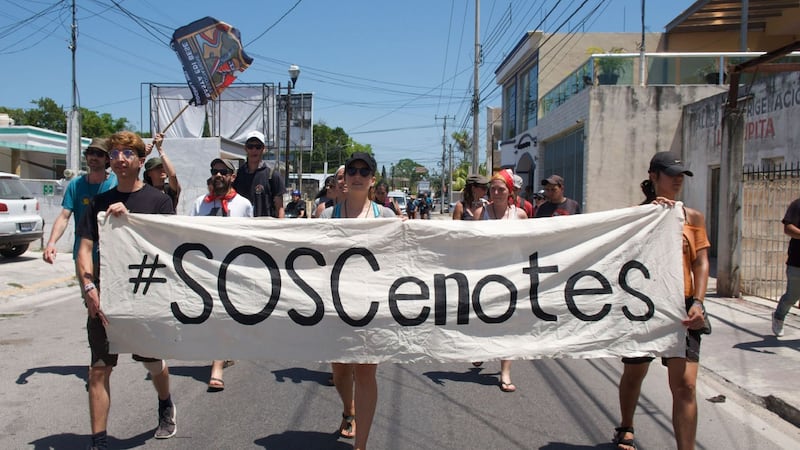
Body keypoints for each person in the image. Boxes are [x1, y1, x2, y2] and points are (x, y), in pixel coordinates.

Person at [76, 131, 177, 449]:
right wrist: (89, 285)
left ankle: (165, 403)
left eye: (126, 153)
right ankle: (99, 441)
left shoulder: (158, 200)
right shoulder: (100, 203)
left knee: (151, 362)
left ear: (140, 159)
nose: (119, 158)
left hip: (145, 294)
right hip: (107, 295)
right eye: (115, 153)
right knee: (99, 369)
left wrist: (130, 220)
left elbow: (170, 246)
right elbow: (84, 246)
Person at [614, 152, 709, 450]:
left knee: (685, 386)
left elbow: (701, 262)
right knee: (634, 372)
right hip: (643, 308)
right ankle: (626, 425)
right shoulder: (636, 216)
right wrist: (649, 216)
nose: (678, 179)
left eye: (682, 174)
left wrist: (699, 302)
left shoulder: (692, 217)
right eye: (671, 173)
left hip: (683, 310)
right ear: (654, 176)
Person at [320, 152, 396, 450]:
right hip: (335, 307)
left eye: (365, 171)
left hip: (372, 307)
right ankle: (348, 409)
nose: (358, 175)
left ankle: (361, 445)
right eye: (352, 169)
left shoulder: (386, 217)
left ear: (372, 179)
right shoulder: (327, 216)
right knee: (340, 371)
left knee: (365, 371)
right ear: (345, 176)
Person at [190, 158, 252, 390]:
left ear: (232, 176)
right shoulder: (199, 204)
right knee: (212, 316)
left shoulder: (243, 205)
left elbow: (249, 238)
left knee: (222, 315)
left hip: (232, 270)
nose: (218, 175)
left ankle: (216, 366)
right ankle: (223, 353)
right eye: (214, 171)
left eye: (223, 171)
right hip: (205, 269)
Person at [469, 169, 527, 393]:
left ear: (510, 191)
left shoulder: (520, 215)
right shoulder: (480, 213)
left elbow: (528, 244)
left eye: (501, 188)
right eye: (492, 188)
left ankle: (505, 372)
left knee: (509, 323)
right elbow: (472, 244)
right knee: (483, 317)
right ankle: (480, 348)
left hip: (511, 276)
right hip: (485, 275)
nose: (496, 192)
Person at [43, 138, 117, 290]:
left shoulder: (116, 183)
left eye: (99, 154)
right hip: (83, 253)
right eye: (90, 153)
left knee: (108, 303)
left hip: (111, 253)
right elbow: (64, 217)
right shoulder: (76, 185)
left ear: (107, 159)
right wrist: (51, 243)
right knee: (90, 300)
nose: (93, 157)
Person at [232, 130, 285, 218]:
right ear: (245, 148)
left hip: (264, 228)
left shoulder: (272, 175)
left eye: (258, 147)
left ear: (264, 149)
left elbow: (280, 209)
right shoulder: (238, 175)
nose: (254, 150)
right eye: (250, 146)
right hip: (241, 227)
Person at [772, 197, 800, 337]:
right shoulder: (797, 204)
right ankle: (779, 316)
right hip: (797, 261)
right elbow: (788, 228)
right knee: (792, 296)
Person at [143, 133, 181, 209]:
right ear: (149, 173)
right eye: (157, 168)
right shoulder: (144, 189)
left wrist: (160, 149)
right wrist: (144, 155)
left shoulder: (169, 189)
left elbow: (172, 175)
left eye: (163, 167)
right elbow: (131, 173)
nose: (162, 169)